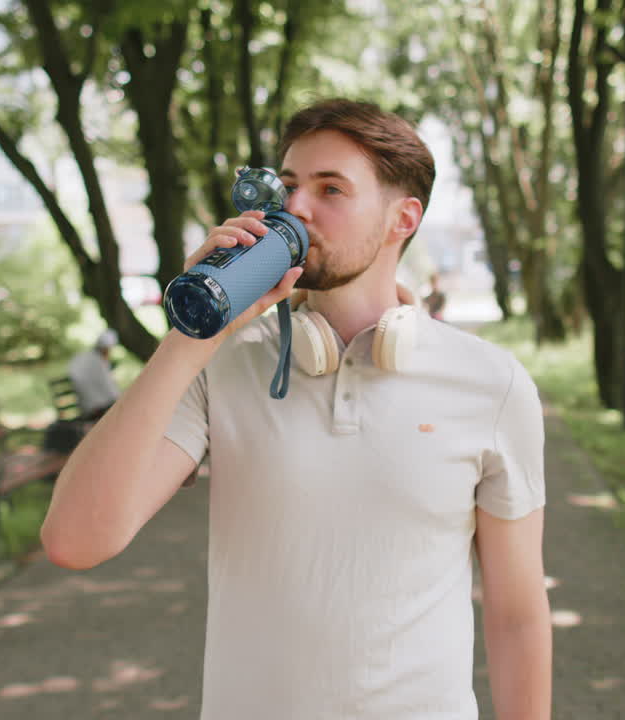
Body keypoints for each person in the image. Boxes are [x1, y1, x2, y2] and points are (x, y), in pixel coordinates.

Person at [41, 99, 551, 719]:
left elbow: (517, 612)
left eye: (331, 189)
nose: (298, 208)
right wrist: (191, 339)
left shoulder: (492, 385)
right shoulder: (223, 364)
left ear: (403, 218)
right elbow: (76, 540)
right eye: (288, 187)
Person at [67, 328, 121, 421]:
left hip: (86, 408)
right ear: (107, 348)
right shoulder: (100, 363)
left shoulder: (81, 358)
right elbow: (112, 392)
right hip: (100, 410)